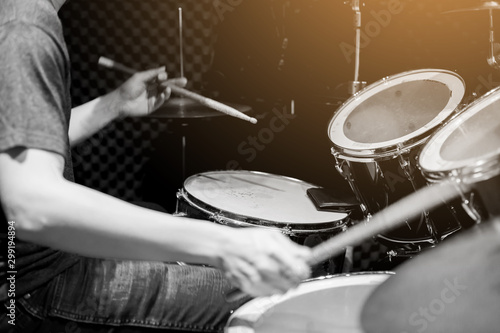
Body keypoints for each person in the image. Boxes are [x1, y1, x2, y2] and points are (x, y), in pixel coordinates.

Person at [0, 0, 311, 332]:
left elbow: (20, 145)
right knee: (263, 304)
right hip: (36, 289)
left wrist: (114, 103)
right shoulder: (27, 27)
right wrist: (227, 244)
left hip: (31, 271)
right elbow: (31, 204)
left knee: (154, 213)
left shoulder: (17, 15)